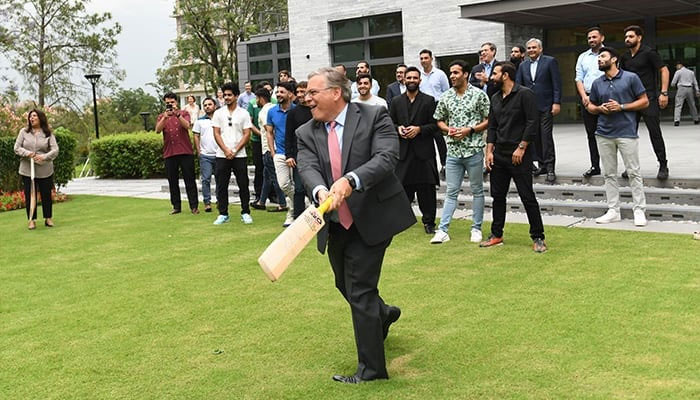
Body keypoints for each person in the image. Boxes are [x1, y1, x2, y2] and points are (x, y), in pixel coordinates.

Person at [297, 67, 415, 384]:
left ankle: (372, 371)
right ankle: (384, 314)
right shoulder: (306, 132)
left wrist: (351, 180)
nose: (307, 99)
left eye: (313, 92)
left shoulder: (375, 115)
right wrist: (322, 191)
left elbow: (387, 156)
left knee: (360, 290)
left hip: (374, 217)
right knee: (344, 285)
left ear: (336, 92)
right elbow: (307, 168)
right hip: (335, 223)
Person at [482, 62, 547, 253]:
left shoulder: (525, 94)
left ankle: (538, 237)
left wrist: (522, 147)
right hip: (499, 155)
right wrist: (489, 152)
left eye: (494, 73)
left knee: (527, 197)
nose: (491, 77)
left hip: (520, 155)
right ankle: (496, 235)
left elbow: (532, 122)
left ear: (505, 75)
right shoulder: (494, 97)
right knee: (498, 197)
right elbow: (492, 127)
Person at [587, 47, 649, 227]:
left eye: (603, 57)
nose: (599, 60)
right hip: (603, 133)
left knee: (634, 172)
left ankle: (639, 210)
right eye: (598, 57)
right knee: (609, 174)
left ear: (614, 59)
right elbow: (590, 106)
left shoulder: (631, 78)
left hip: (627, 133)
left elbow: (644, 101)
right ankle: (613, 210)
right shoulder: (598, 82)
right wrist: (599, 109)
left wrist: (621, 107)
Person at [431, 60, 490, 244]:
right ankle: (442, 230)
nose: (452, 76)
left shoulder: (479, 95)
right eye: (451, 73)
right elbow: (438, 119)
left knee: (477, 191)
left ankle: (476, 228)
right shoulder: (446, 96)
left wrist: (470, 130)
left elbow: (489, 119)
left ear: (465, 74)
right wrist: (448, 129)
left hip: (473, 150)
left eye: (456, 72)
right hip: (453, 152)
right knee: (451, 191)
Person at [389, 66, 440, 234]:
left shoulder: (429, 100)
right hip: (403, 153)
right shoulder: (396, 101)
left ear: (420, 80)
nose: (411, 80)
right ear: (404, 80)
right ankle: (399, 222)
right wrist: (398, 129)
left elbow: (435, 126)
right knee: (402, 190)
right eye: (408, 78)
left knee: (427, 190)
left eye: (414, 78)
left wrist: (419, 129)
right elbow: (390, 123)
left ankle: (429, 223)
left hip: (423, 153)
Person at [620, 25, 670, 180]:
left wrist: (664, 92)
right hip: (631, 101)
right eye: (626, 37)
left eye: (631, 36)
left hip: (649, 99)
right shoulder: (625, 57)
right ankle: (630, 167)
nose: (627, 39)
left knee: (655, 133)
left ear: (639, 37)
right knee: (628, 136)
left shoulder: (649, 53)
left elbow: (664, 70)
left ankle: (663, 165)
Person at [516, 38, 562, 183]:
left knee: (546, 136)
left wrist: (556, 102)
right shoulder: (523, 66)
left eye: (534, 47)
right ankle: (541, 165)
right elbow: (519, 85)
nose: (531, 50)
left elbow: (557, 84)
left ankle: (550, 168)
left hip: (546, 105)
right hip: (529, 108)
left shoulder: (550, 61)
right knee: (534, 137)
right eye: (529, 48)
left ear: (540, 49)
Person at [211, 82, 253, 225]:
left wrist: (235, 150)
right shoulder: (218, 113)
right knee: (221, 185)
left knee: (243, 184)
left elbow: (247, 134)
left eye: (230, 95)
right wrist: (226, 150)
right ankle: (223, 213)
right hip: (222, 155)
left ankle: (245, 212)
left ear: (236, 96)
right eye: (225, 95)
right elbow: (216, 133)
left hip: (239, 155)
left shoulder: (244, 113)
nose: (227, 98)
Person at [14, 109, 59, 230]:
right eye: (30, 117)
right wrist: (28, 153)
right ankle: (31, 220)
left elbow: (55, 150)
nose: (31, 118)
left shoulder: (48, 133)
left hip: (45, 169)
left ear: (40, 118)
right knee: (30, 195)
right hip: (28, 169)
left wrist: (44, 157)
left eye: (34, 116)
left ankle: (48, 218)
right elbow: (17, 148)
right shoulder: (23, 132)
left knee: (46, 195)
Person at [155, 92, 199, 215]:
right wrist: (165, 117)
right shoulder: (161, 116)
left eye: (172, 102)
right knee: (172, 181)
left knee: (189, 179)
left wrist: (177, 114)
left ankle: (194, 206)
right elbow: (158, 130)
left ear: (177, 102)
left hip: (185, 151)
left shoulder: (184, 113)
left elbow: (187, 126)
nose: (170, 105)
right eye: (167, 103)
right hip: (169, 153)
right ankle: (176, 206)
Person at [575, 27, 606, 177]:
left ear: (602, 38)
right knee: (591, 133)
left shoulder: (609, 54)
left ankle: (611, 166)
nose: (592, 40)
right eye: (589, 38)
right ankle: (595, 166)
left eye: (594, 37)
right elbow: (578, 78)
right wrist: (584, 96)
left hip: (606, 96)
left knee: (610, 133)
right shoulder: (582, 57)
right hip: (587, 97)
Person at [251, 88, 288, 212]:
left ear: (261, 98)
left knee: (274, 177)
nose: (256, 101)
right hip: (275, 147)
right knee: (267, 176)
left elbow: (269, 131)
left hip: (268, 149)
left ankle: (282, 203)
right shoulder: (275, 108)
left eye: (257, 98)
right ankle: (261, 201)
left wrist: (271, 150)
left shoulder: (263, 112)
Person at [266, 81, 297, 227]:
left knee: (296, 184)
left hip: (296, 154)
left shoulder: (297, 111)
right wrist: (273, 152)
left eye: (281, 92)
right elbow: (269, 133)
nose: (278, 94)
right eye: (277, 92)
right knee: (284, 185)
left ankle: (291, 214)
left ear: (290, 94)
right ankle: (302, 202)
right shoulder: (272, 112)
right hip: (279, 153)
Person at [284, 81, 313, 218]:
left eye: (303, 91)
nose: (300, 95)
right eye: (298, 92)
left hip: (317, 154)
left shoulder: (317, 110)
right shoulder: (293, 113)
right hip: (298, 156)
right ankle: (298, 219)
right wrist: (289, 155)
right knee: (299, 188)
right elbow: (288, 136)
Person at [192, 97, 218, 213]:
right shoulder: (199, 121)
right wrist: (199, 151)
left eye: (209, 104)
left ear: (215, 106)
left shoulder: (220, 119)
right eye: (205, 105)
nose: (207, 106)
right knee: (205, 179)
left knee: (220, 179)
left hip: (219, 154)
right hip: (205, 155)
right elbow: (196, 136)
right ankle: (207, 202)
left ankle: (220, 200)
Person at [671, 61, 699, 125]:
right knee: (692, 104)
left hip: (681, 88)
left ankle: (677, 121)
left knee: (678, 104)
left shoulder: (678, 72)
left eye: (677, 65)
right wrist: (697, 90)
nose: (676, 67)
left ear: (680, 65)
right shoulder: (691, 72)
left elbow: (673, 82)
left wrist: (673, 85)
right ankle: (696, 119)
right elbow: (695, 82)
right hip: (690, 88)